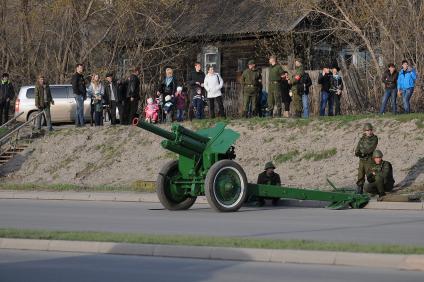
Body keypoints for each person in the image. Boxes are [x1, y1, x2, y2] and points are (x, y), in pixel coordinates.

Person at [355, 123, 378, 194]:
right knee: (360, 175)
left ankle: (376, 189)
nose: (369, 132)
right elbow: (358, 147)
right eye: (367, 130)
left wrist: (362, 152)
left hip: (369, 159)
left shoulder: (374, 138)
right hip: (362, 160)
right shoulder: (362, 139)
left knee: (370, 176)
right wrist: (357, 152)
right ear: (364, 131)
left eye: (370, 130)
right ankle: (359, 191)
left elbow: (370, 148)